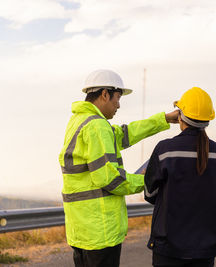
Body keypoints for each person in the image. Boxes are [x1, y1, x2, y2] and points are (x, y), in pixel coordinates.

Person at [59, 69, 178, 267]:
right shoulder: (96, 126)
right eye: (117, 98)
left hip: (82, 229)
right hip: (100, 231)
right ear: (105, 94)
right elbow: (109, 179)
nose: (119, 105)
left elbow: (125, 134)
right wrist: (148, 179)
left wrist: (163, 119)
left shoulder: (79, 121)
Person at [144, 87, 216, 267]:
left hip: (168, 247)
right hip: (205, 247)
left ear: (180, 116)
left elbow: (150, 195)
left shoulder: (165, 150)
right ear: (208, 119)